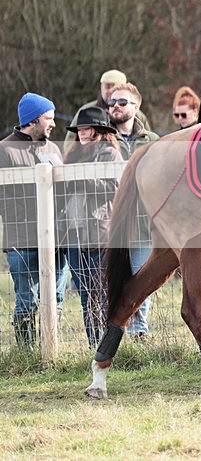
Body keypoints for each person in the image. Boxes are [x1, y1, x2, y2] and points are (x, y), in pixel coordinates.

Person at [0, 93, 69, 348]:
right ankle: (26, 352)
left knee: (57, 297)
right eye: (49, 118)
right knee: (26, 300)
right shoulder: (4, 150)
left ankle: (53, 346)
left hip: (56, 238)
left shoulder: (52, 148)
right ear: (33, 119)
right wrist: (33, 214)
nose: (53, 123)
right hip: (22, 240)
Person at [62, 106, 123, 346]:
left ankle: (107, 345)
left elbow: (114, 189)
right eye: (79, 129)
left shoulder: (109, 154)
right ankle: (93, 344)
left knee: (102, 293)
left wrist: (82, 175)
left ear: (98, 130)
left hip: (99, 232)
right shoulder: (74, 154)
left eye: (86, 129)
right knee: (86, 295)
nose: (81, 133)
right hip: (73, 233)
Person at [107, 83, 159, 338]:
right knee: (111, 281)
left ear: (136, 106)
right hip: (110, 225)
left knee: (141, 279)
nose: (115, 106)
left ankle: (139, 333)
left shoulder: (152, 141)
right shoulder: (103, 138)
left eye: (122, 102)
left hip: (142, 223)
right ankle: (111, 334)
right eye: (112, 102)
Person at [65, 69, 150, 151]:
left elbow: (147, 137)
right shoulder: (87, 111)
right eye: (107, 87)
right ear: (101, 87)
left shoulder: (138, 115)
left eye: (114, 86)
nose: (110, 91)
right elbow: (70, 142)